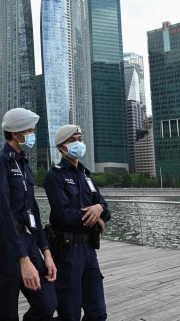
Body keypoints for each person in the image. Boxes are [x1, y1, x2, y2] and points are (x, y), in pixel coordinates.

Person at [0, 107, 57, 320]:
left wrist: (46, 250)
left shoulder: (22, 163)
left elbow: (32, 209)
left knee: (47, 303)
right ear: (16, 134)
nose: (33, 133)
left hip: (28, 239)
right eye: (30, 130)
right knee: (4, 311)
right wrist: (22, 259)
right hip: (7, 245)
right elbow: (3, 211)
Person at [43, 125, 110, 321]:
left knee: (98, 311)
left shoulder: (86, 176)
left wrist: (99, 209)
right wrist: (97, 217)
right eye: (73, 140)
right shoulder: (54, 176)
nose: (78, 143)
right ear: (61, 147)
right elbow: (64, 215)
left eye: (80, 138)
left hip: (89, 249)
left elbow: (105, 207)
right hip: (67, 251)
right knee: (69, 313)